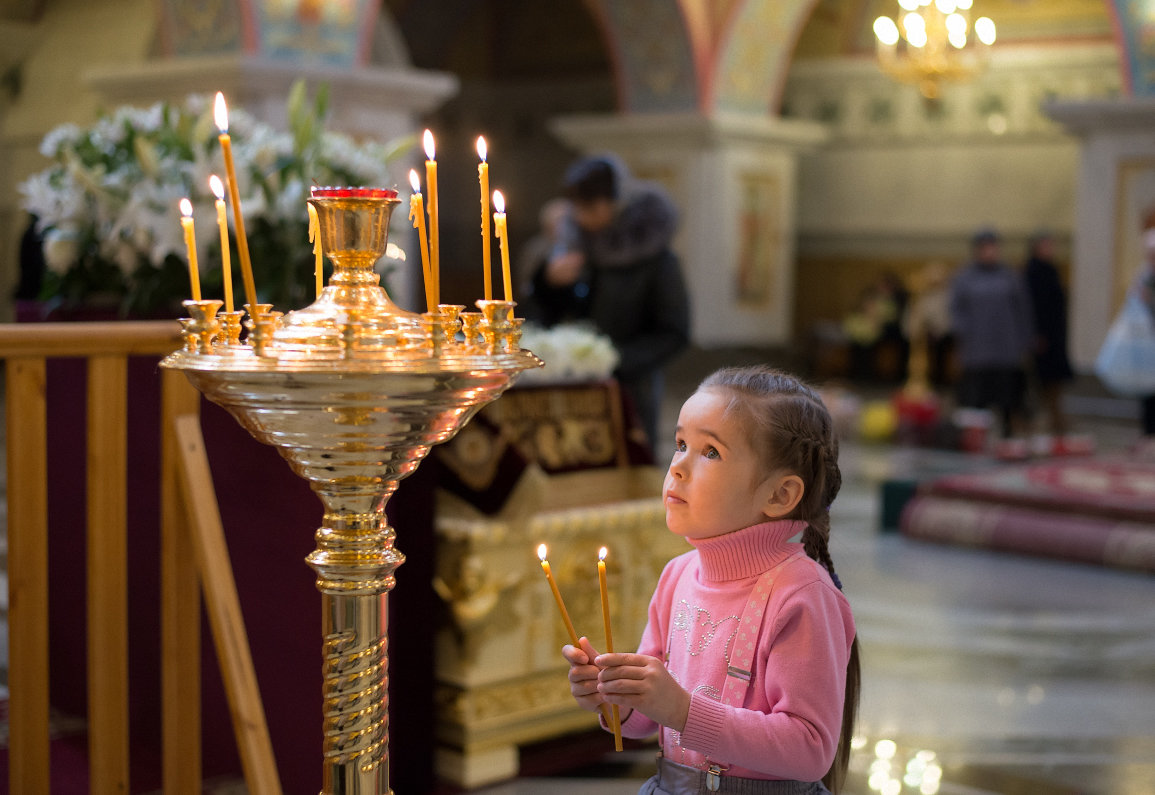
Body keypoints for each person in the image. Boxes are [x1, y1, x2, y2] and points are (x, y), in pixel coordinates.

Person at [562, 366, 860, 794]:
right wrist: (614, 696)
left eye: (711, 452)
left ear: (779, 495)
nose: (678, 467)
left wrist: (684, 710)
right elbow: (646, 720)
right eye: (681, 444)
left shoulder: (802, 595)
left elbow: (810, 749)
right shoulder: (677, 575)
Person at [523, 154, 691, 452]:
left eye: (590, 207)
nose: (582, 217)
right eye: (578, 208)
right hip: (571, 387)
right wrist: (547, 283)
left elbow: (674, 332)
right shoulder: (575, 250)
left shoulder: (657, 259)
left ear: (615, 203)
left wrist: (612, 361)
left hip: (631, 392)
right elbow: (542, 316)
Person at [949, 228, 1034, 448]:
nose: (990, 252)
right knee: (976, 396)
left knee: (1006, 394)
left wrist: (1024, 339)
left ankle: (1007, 435)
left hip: (1005, 348)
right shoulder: (965, 277)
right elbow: (956, 309)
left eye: (993, 247)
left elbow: (1022, 309)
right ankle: (976, 439)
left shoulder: (1009, 276)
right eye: (985, 247)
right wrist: (963, 331)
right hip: (977, 348)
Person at [1022, 231, 1075, 443]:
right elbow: (1033, 308)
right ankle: (1046, 420)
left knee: (1054, 381)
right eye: (1047, 245)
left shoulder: (1052, 270)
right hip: (1041, 337)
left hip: (1055, 336)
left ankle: (1056, 419)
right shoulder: (1032, 273)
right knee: (1041, 381)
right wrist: (1036, 334)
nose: (1051, 249)